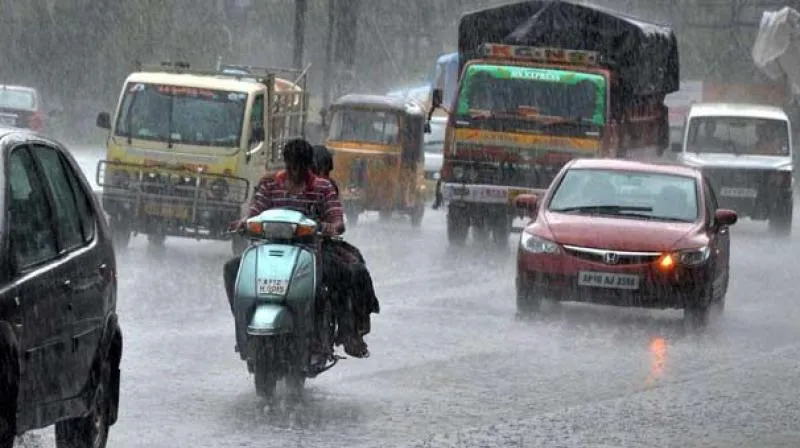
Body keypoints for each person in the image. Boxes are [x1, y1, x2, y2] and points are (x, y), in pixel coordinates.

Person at [223, 139, 370, 358]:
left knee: (329, 284)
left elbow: (336, 219)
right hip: (269, 249)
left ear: (308, 165)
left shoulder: (322, 188)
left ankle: (335, 334)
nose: (295, 171)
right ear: (286, 162)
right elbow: (255, 212)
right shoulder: (270, 185)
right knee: (232, 269)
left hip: (310, 251)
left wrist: (330, 227)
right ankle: (244, 325)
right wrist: (244, 223)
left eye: (300, 166)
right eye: (292, 165)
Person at [311, 144, 381, 348]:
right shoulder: (284, 185)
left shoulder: (326, 187)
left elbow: (335, 219)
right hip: (296, 247)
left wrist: (327, 227)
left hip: (320, 244)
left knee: (354, 267)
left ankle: (351, 329)